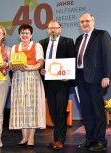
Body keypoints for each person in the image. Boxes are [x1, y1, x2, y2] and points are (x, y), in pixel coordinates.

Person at [75, 13, 111, 152]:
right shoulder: (79, 39)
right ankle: (90, 140)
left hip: (96, 79)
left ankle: (101, 141)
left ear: (93, 21)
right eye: (82, 21)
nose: (85, 23)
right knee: (86, 112)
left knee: (98, 111)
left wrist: (106, 76)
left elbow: (108, 56)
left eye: (87, 21)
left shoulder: (102, 35)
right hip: (81, 79)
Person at [39, 20, 75, 149]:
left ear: (60, 29)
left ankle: (60, 139)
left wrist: (69, 76)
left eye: (55, 28)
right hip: (48, 82)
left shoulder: (68, 42)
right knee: (53, 111)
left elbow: (72, 61)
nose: (53, 30)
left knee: (60, 110)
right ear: (48, 30)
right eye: (50, 28)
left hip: (62, 82)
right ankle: (56, 138)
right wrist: (41, 70)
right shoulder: (42, 43)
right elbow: (40, 62)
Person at [9, 24, 45, 148]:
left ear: (31, 35)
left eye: (27, 33)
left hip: (32, 77)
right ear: (19, 35)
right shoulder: (15, 47)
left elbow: (40, 62)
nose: (24, 35)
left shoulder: (37, 46)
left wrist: (30, 67)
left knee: (31, 108)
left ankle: (31, 138)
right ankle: (24, 137)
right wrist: (16, 67)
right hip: (18, 78)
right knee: (21, 107)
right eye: (22, 33)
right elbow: (11, 65)